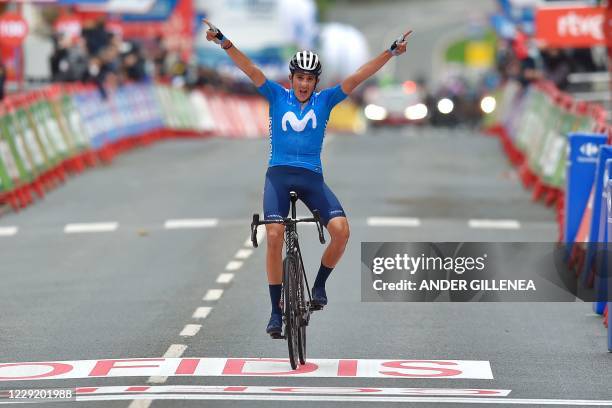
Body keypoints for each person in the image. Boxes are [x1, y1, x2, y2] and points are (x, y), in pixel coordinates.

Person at [204, 20, 411, 336]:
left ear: (316, 82)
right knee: (273, 235)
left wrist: (391, 52)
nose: (304, 84)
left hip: (312, 178)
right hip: (279, 176)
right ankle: (275, 312)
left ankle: (318, 287)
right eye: (299, 78)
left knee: (341, 231)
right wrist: (224, 41)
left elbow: (359, 76)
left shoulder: (325, 100)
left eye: (309, 79)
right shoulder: (275, 95)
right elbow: (250, 69)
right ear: (291, 79)